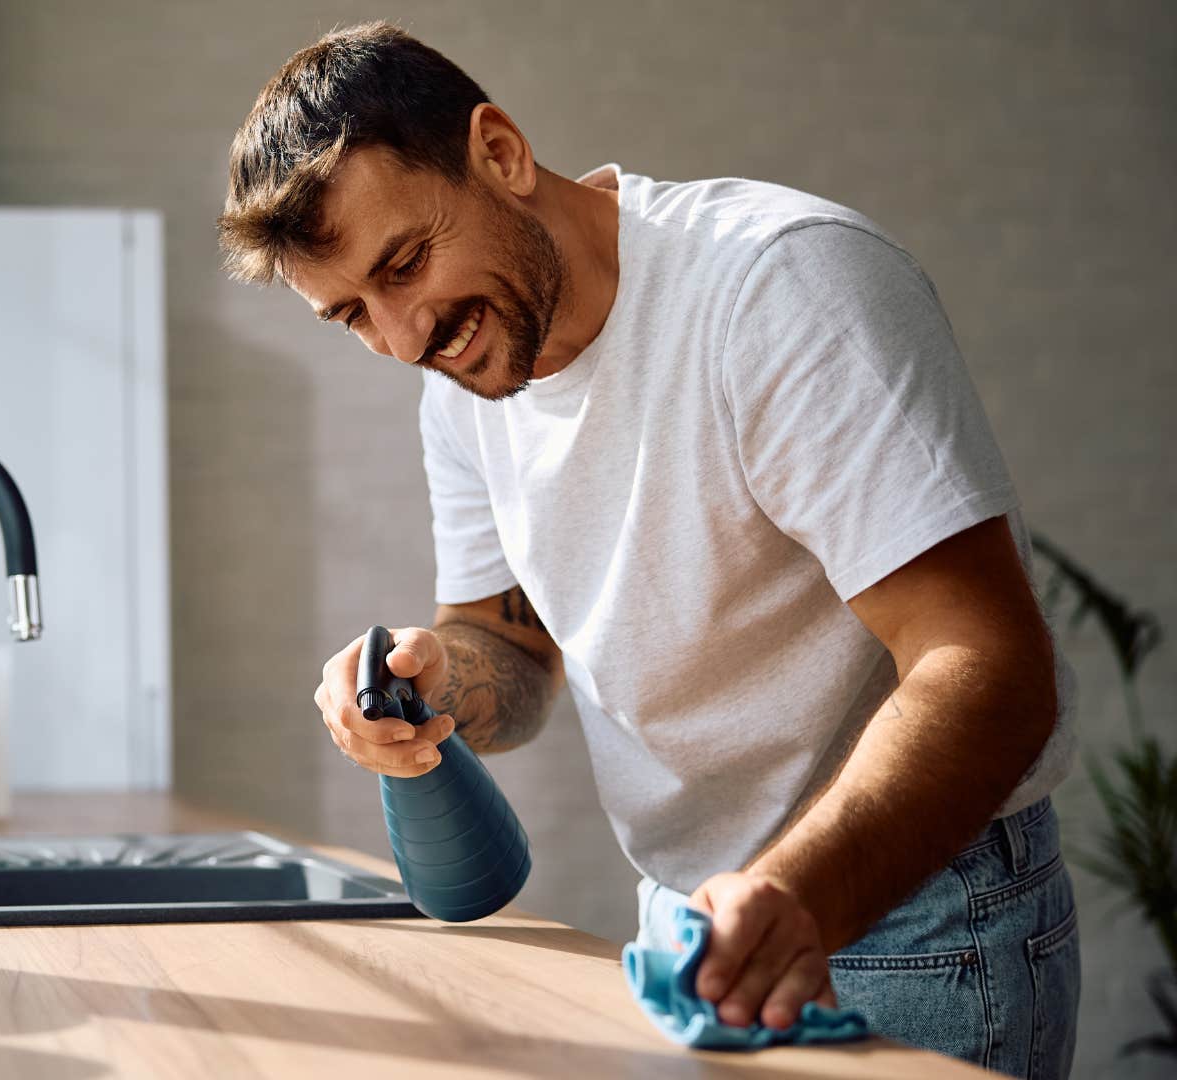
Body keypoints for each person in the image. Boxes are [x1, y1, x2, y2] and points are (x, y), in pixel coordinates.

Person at [218, 22, 1079, 1077]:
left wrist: (795, 897)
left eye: (404, 263)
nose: (404, 340)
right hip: (693, 923)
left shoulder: (778, 289)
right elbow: (511, 652)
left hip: (913, 921)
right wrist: (437, 681)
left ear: (499, 152)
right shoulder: (467, 381)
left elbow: (990, 668)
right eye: (352, 314)